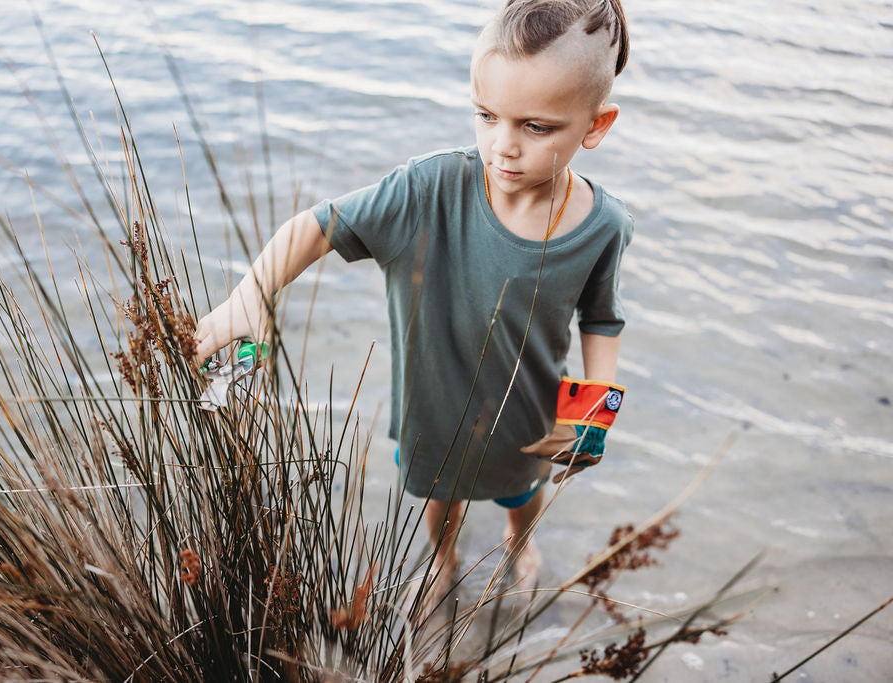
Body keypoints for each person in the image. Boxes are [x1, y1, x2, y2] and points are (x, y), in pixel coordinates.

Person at [194, 0, 633, 610]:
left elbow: (603, 318)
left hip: (527, 411)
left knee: (521, 491)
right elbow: (318, 226)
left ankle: (518, 543)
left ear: (595, 124)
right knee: (439, 498)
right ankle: (445, 560)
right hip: (433, 409)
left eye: (536, 127)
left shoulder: (604, 226)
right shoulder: (426, 191)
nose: (502, 146)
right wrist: (253, 292)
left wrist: (595, 412)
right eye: (486, 116)